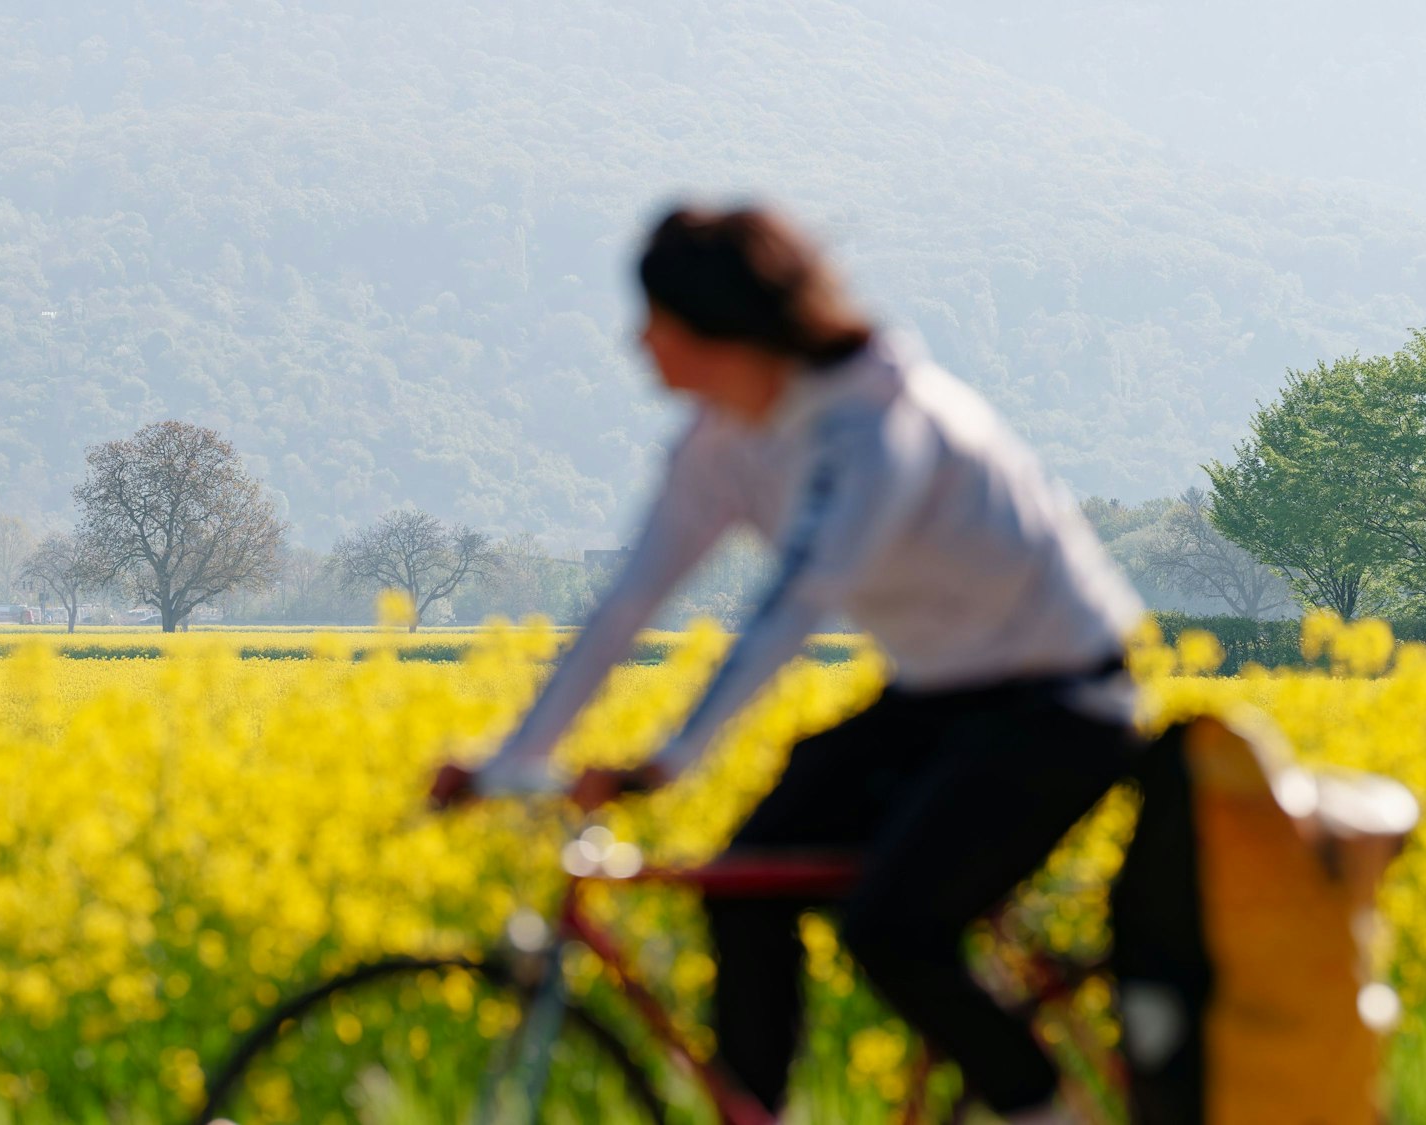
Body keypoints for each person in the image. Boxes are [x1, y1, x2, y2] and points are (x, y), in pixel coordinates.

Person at [432, 204, 1145, 1124]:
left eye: (654, 318)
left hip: (1063, 698)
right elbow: (626, 603)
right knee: (743, 884)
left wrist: (672, 757)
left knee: (895, 931)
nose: (637, 339)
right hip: (940, 694)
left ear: (715, 325)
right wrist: (513, 755)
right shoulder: (721, 440)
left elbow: (794, 603)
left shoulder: (874, 427)